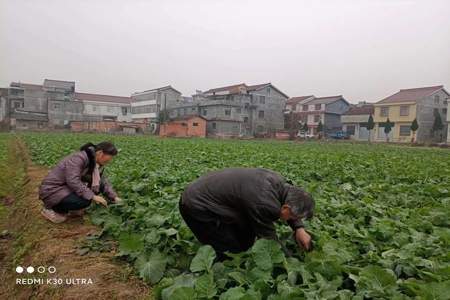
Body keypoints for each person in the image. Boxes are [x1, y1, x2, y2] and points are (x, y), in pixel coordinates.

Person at [179, 168, 314, 260]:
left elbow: (291, 204)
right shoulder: (264, 202)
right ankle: (217, 272)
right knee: (229, 251)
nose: (292, 219)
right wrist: (290, 263)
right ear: (285, 208)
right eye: (293, 217)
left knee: (245, 242)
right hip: (196, 204)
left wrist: (299, 228)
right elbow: (269, 240)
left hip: (214, 196)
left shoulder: (281, 185)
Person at [39, 141, 121, 223]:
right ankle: (52, 210)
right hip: (52, 190)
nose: (109, 161)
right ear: (100, 153)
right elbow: (73, 180)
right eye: (108, 158)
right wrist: (93, 196)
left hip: (66, 188)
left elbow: (102, 182)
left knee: (89, 194)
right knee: (85, 200)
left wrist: (114, 197)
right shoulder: (79, 158)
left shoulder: (95, 164)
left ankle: (72, 208)